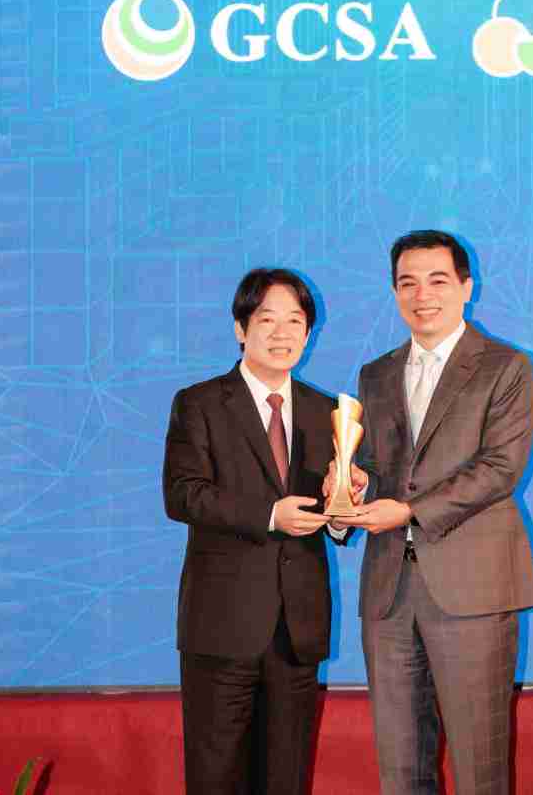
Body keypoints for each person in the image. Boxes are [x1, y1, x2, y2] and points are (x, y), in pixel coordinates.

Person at [331, 230, 533, 795]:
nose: (422, 295)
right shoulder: (375, 374)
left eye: (437, 280)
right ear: (394, 292)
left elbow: (500, 469)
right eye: (408, 283)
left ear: (467, 287)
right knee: (400, 771)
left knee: (479, 770)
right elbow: (374, 464)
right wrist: (353, 483)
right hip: (388, 594)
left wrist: (406, 511)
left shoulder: (506, 367)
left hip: (472, 593)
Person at [163, 268, 334, 795]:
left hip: (297, 630)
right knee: (215, 778)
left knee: (285, 779)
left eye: (295, 321)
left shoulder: (325, 411)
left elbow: (331, 511)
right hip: (222, 628)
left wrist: (345, 505)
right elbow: (183, 494)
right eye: (267, 320)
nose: (282, 334)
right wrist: (270, 515)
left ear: (308, 332)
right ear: (241, 329)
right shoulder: (200, 403)